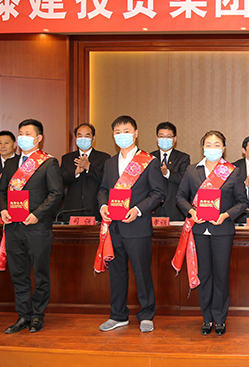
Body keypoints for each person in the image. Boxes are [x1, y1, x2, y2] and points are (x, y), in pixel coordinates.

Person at [97, 115, 166, 333]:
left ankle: (146, 315)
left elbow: (158, 193)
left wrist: (137, 210)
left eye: (126, 131)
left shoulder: (148, 161)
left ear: (135, 133)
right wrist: (103, 206)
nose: (122, 135)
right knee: (116, 273)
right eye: (117, 132)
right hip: (114, 227)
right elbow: (103, 190)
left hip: (137, 227)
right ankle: (118, 315)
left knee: (142, 273)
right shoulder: (109, 163)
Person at [0, 119, 63, 334]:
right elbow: (0, 192)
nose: (23, 137)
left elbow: (56, 193)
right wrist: (3, 209)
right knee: (18, 273)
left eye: (28, 133)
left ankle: (37, 315)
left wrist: (37, 214)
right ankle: (23, 315)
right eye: (21, 133)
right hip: (13, 227)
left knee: (40, 273)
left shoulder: (48, 163)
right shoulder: (10, 164)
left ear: (39, 138)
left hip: (37, 227)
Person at [177, 131, 247, 336]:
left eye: (217, 145)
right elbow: (180, 197)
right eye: (208, 144)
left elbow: (242, 202)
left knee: (221, 276)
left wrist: (226, 215)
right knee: (204, 275)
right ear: (203, 147)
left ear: (223, 148)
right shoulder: (192, 170)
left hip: (222, 231)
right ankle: (207, 318)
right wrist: (191, 212)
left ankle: (220, 318)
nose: (213, 148)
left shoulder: (233, 172)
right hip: (199, 230)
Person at [60, 123, 110, 221]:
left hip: (94, 208)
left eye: (87, 136)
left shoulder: (104, 158)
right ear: (75, 139)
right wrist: (75, 173)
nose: (83, 139)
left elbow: (106, 181)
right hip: (72, 209)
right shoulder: (67, 158)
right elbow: (60, 180)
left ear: (93, 138)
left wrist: (88, 168)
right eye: (80, 136)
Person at [150, 122, 190, 221]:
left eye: (168, 136)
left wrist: (167, 173)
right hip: (154, 208)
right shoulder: (149, 157)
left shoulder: (183, 157)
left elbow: (184, 179)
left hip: (175, 210)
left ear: (174, 139)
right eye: (161, 136)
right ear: (157, 138)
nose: (164, 139)